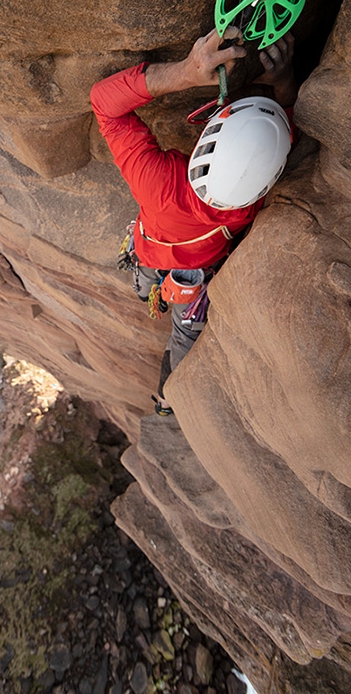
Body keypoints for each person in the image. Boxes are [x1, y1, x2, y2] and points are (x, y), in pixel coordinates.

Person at [90, 28, 297, 414]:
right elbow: (273, 147)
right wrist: (283, 84)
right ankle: (168, 396)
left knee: (146, 267)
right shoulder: (251, 201)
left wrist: (187, 71)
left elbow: (104, 103)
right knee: (186, 328)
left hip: (152, 244)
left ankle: (144, 287)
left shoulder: (160, 187)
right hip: (200, 266)